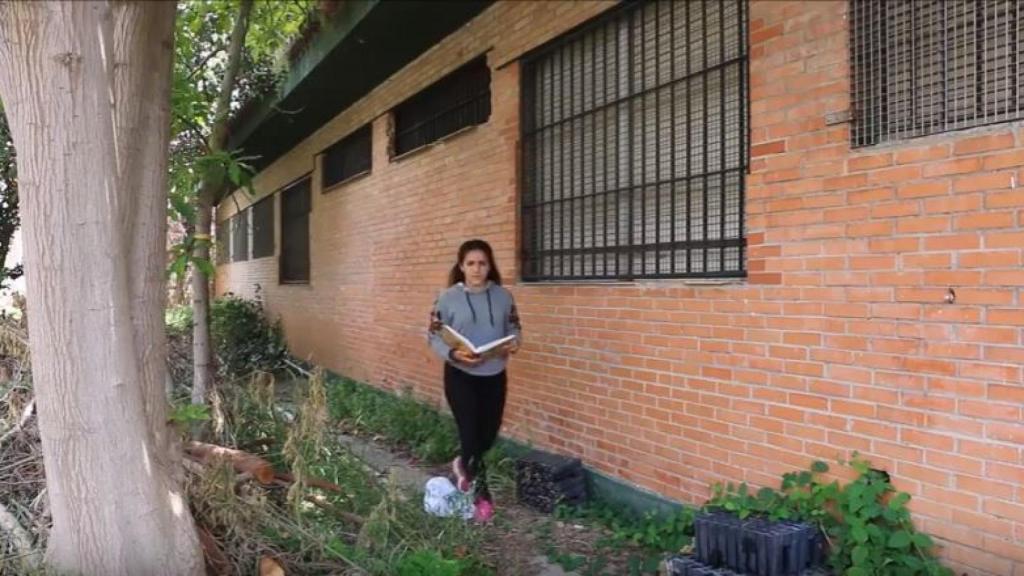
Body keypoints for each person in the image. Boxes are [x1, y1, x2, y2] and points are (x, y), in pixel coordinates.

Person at [427, 239, 521, 522]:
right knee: (470, 435)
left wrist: (515, 343)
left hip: (494, 375)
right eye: (471, 263)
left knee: (487, 435)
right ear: (461, 266)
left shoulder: (504, 296)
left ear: (490, 265)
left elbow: (515, 327)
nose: (477, 269)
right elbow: (432, 334)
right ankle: (482, 497)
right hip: (460, 376)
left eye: (482, 263)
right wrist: (454, 353)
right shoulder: (446, 298)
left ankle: (460, 464)